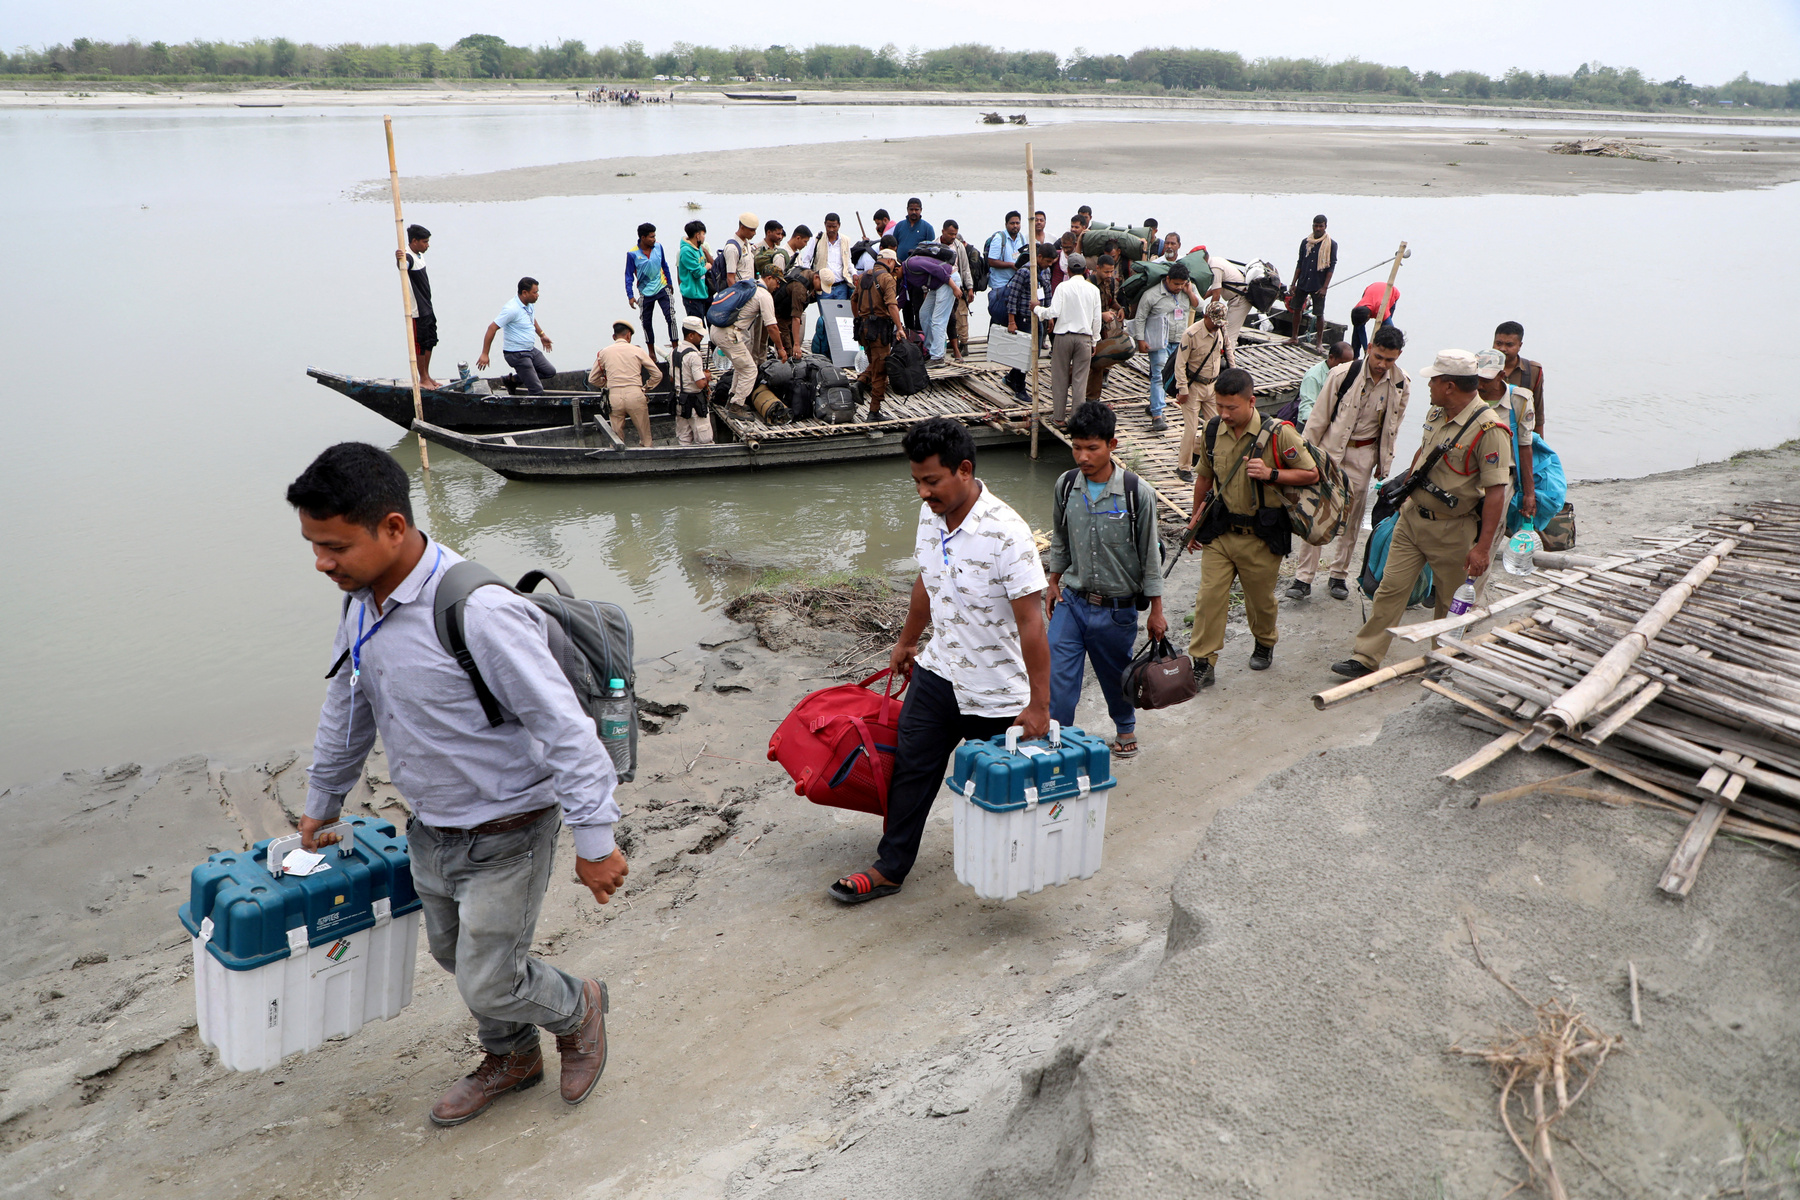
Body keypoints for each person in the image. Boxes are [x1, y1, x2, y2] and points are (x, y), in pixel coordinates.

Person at [289, 443, 627, 1127]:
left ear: (391, 527)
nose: (322, 563)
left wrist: (596, 838)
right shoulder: (361, 604)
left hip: (510, 828)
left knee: (490, 972)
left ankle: (579, 1004)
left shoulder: (479, 611)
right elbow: (348, 710)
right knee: (453, 954)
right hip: (432, 827)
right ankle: (514, 1058)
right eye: (313, 546)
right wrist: (320, 803)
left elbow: (565, 729)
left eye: (334, 546)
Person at [827, 418, 1049, 904]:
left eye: (931, 481)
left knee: (1002, 788)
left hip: (996, 692)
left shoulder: (1006, 533)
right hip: (939, 671)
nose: (923, 492)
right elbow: (927, 581)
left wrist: (1038, 704)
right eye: (916, 482)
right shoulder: (931, 515)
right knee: (911, 768)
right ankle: (891, 866)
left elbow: (1033, 622)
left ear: (964, 471)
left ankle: (1011, 870)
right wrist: (907, 643)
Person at [1330, 350, 1513, 679]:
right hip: (1412, 520)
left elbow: (1497, 492)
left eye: (1435, 379)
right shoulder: (1437, 412)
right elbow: (1424, 453)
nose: (1429, 384)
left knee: (1450, 602)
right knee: (1390, 589)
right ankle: (1366, 657)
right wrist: (1405, 495)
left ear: (1450, 386)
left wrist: (1483, 548)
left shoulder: (1490, 430)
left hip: (1453, 530)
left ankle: (1444, 662)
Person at [1179, 368, 1318, 686]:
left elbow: (1310, 474)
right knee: (1209, 597)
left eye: (1232, 407)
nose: (1225, 414)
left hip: (1262, 537)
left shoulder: (1280, 433)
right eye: (1221, 406)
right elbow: (1204, 477)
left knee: (1260, 601)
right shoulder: (1214, 429)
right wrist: (1194, 522)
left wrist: (1272, 474)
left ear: (1251, 401)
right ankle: (1203, 663)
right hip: (1222, 532)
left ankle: (1265, 641)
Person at [1045, 402, 1167, 758]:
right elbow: (1060, 538)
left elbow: (1149, 558)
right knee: (1058, 676)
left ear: (1112, 445)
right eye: (1077, 447)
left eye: (1092, 448)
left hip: (1117, 611)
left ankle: (1125, 728)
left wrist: (1156, 611)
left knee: (1116, 674)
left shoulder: (1136, 493)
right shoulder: (1066, 486)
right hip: (1073, 602)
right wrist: (1053, 582)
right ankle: (1057, 740)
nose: (1083, 456)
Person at [1287, 326, 1410, 600]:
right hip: (1330, 452)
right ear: (1370, 348)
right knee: (1317, 513)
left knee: (1352, 519)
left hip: (1364, 456)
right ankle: (1303, 578)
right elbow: (1318, 419)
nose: (1381, 364)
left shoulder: (1402, 384)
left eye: (1389, 360)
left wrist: (1383, 461)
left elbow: (1392, 426)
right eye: (1378, 356)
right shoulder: (1342, 374)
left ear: (1398, 356)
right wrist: (1305, 457)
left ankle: (1338, 575)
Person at [1473, 347, 1536, 601]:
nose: (1480, 384)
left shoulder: (1519, 400)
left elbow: (1525, 445)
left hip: (1501, 474)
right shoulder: (1468, 394)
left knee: (1491, 532)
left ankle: (1473, 599)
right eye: (1476, 377)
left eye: (1486, 378)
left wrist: (1529, 493)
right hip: (1468, 470)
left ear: (1501, 375)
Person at [1036, 252, 1101, 423]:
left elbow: (1053, 312)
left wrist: (1037, 309)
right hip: (1084, 338)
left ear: (1068, 270)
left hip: (1063, 337)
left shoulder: (1063, 287)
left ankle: (1058, 418)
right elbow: (1097, 319)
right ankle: (1076, 420)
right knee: (1080, 381)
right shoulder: (1093, 290)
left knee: (1060, 378)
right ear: (1086, 270)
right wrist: (1094, 340)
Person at [1130, 263, 1194, 434]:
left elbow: (1200, 306)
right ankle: (1158, 415)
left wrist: (1189, 292)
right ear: (1167, 279)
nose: (1179, 287)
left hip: (1179, 341)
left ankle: (1154, 405)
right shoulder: (1151, 295)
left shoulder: (1186, 292)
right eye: (1176, 284)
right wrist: (1140, 340)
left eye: (1182, 284)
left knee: (1171, 376)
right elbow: (1140, 318)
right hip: (1158, 342)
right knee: (1159, 375)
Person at [710, 265, 785, 412]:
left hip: (716, 329)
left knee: (741, 366)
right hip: (729, 334)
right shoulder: (764, 295)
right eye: (777, 281)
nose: (778, 286)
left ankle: (732, 397)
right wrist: (781, 349)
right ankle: (736, 406)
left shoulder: (749, 284)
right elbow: (772, 327)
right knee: (750, 370)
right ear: (769, 278)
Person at [1172, 299, 1230, 482]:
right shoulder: (1191, 334)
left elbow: (1228, 350)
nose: (1217, 326)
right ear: (1206, 317)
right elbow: (1180, 364)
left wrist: (1233, 374)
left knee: (1218, 425)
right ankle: (1184, 467)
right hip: (1193, 386)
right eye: (1214, 322)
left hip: (1212, 387)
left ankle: (1199, 454)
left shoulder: (1220, 329)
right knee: (1190, 429)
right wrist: (1182, 389)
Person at [589, 320, 663, 449]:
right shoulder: (637, 350)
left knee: (616, 440)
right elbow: (657, 374)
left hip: (614, 396)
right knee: (645, 438)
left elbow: (592, 379)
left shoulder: (604, 353)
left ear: (614, 337)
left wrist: (606, 384)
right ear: (628, 336)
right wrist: (646, 387)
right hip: (635, 394)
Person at [477, 277, 555, 395]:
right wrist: (484, 354)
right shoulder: (511, 309)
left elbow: (531, 318)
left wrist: (542, 335)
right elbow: (492, 328)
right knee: (537, 391)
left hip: (530, 350)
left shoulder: (528, 304)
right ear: (524, 293)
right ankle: (530, 410)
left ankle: (512, 380)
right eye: (535, 292)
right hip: (517, 354)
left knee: (549, 372)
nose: (537, 295)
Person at [853, 245, 905, 422]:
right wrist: (899, 328)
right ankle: (873, 412)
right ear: (890, 261)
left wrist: (858, 319)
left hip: (863, 330)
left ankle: (860, 383)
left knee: (875, 362)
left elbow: (853, 301)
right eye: (894, 264)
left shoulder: (863, 276)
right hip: (880, 331)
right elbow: (892, 305)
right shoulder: (887, 279)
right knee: (881, 371)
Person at [997, 243, 1054, 399]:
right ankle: (1019, 388)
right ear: (1039, 257)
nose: (1049, 265)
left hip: (1039, 317)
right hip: (1024, 317)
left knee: (1034, 354)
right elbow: (1012, 296)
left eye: (1051, 262)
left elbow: (1047, 294)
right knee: (1025, 353)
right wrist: (1011, 321)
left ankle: (1011, 377)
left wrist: (1050, 316)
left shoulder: (1046, 271)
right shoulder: (1024, 272)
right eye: (1047, 261)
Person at [624, 223, 677, 359]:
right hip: (645, 292)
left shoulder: (658, 247)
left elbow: (664, 264)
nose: (654, 239)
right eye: (651, 237)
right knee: (646, 322)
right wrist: (630, 296)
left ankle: (676, 348)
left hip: (662, 286)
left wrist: (669, 283)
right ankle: (651, 352)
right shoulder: (632, 254)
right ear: (643, 237)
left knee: (670, 316)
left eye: (655, 236)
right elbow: (628, 276)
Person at [396, 223, 440, 389]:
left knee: (430, 341)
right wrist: (398, 257)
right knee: (420, 344)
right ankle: (422, 378)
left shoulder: (419, 254)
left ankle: (427, 375)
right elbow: (403, 266)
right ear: (414, 241)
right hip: (417, 311)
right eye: (424, 242)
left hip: (428, 307)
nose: (427, 245)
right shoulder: (407, 256)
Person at [903, 243, 958, 364]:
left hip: (949, 279)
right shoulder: (904, 277)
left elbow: (938, 270)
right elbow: (901, 300)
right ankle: (929, 349)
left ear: (896, 267)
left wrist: (955, 287)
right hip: (938, 284)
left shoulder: (912, 263)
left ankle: (937, 357)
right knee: (924, 314)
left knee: (938, 319)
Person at [1288, 214, 1337, 350]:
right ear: (1312, 226)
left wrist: (1325, 287)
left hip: (1318, 284)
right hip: (1303, 281)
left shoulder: (1331, 244)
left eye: (1321, 226)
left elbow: (1331, 266)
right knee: (1296, 309)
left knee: (1319, 313)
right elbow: (1299, 263)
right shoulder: (1305, 242)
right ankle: (1294, 337)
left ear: (1325, 227)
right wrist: (1293, 283)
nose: (1318, 228)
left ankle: (1319, 343)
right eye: (1316, 226)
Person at [1493, 321, 1546, 435]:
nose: (1502, 349)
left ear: (1520, 345)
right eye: (1498, 343)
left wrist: (1540, 447)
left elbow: (1538, 413)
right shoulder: (1481, 368)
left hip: (1519, 435)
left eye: (1509, 345)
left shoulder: (1533, 371)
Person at [672, 316, 714, 445]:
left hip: (680, 401)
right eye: (699, 334)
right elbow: (700, 384)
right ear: (691, 335)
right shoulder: (694, 355)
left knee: (684, 438)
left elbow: (672, 377)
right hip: (694, 402)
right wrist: (706, 377)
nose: (701, 337)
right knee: (704, 440)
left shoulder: (675, 351)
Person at [1295, 341, 1354, 429]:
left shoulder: (1347, 374)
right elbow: (1307, 406)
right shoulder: (1313, 376)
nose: (1346, 368)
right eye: (1342, 363)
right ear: (1331, 357)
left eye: (1350, 365)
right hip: (1310, 425)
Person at [940, 220, 975, 360]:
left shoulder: (959, 246)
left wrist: (970, 288)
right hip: (941, 286)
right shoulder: (935, 244)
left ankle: (964, 343)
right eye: (950, 234)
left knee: (961, 315)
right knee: (945, 317)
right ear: (943, 232)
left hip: (958, 286)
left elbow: (965, 268)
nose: (953, 237)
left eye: (955, 234)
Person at [1203, 249, 1250, 350]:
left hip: (1240, 299)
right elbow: (1215, 288)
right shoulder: (1215, 260)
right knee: (1227, 332)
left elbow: (1216, 296)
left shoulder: (1214, 267)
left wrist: (1208, 316)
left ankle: (1229, 362)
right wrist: (1201, 299)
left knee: (1229, 334)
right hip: (1235, 298)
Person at [1349, 279, 1400, 358]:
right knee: (1357, 329)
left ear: (1368, 316)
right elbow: (1360, 330)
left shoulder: (1382, 310)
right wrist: (1366, 349)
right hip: (1370, 289)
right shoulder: (1358, 309)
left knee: (1384, 331)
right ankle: (1354, 356)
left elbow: (1391, 329)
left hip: (1391, 292)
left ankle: (1379, 355)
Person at [984, 210, 1026, 297]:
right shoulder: (999, 238)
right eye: (1012, 223)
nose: (1015, 226)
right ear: (1006, 224)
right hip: (1000, 285)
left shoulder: (1022, 238)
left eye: (1017, 223)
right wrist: (1011, 265)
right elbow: (991, 261)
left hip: (1017, 284)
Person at [678, 220, 712, 321]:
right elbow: (697, 272)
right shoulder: (686, 251)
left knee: (711, 322)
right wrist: (707, 267)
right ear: (697, 235)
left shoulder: (699, 247)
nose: (704, 237)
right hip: (692, 296)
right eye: (703, 234)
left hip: (703, 293)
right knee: (696, 327)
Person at [723, 213, 758, 284]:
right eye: (751, 230)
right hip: (740, 290)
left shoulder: (747, 243)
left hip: (749, 288)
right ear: (742, 228)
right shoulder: (732, 248)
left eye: (755, 230)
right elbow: (730, 278)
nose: (754, 233)